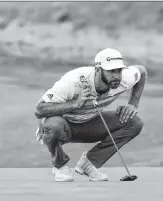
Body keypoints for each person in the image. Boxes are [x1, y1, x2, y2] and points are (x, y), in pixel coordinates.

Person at [34, 48, 147, 182]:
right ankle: (60, 165)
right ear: (98, 70)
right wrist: (75, 104)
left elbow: (141, 71)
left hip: (91, 124)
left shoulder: (124, 79)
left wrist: (133, 103)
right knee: (52, 126)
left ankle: (88, 164)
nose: (116, 76)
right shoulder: (73, 82)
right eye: (111, 71)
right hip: (64, 127)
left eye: (119, 70)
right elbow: (39, 109)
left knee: (134, 122)